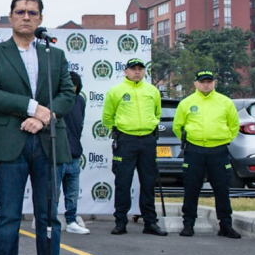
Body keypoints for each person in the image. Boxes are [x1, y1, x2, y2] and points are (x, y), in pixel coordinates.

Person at [0, 0, 78, 255]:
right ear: (10, 17)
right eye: (20, 12)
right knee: (8, 216)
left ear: (40, 19)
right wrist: (32, 108)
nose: (26, 17)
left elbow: (67, 93)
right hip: (10, 143)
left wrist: (44, 117)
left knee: (49, 218)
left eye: (33, 13)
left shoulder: (55, 55)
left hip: (48, 143)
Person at [102, 57, 167, 236]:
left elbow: (157, 113)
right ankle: (120, 222)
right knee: (123, 182)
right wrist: (122, 130)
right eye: (133, 68)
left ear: (145, 71)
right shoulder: (116, 91)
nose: (137, 71)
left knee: (148, 183)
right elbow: (107, 117)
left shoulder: (152, 90)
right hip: (126, 141)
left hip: (147, 140)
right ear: (126, 72)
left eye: (140, 68)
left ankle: (150, 223)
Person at [173, 70, 241, 239]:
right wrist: (190, 141)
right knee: (191, 188)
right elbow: (177, 126)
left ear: (214, 83)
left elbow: (234, 126)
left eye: (209, 81)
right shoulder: (187, 103)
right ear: (195, 83)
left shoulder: (225, 102)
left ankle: (225, 225)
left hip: (218, 151)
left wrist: (222, 139)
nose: (206, 84)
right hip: (194, 151)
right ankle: (188, 224)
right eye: (202, 81)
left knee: (222, 189)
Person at [61, 70, 89, 234]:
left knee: (72, 193)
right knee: (52, 192)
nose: (71, 87)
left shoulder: (80, 101)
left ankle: (71, 221)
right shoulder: (55, 101)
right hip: (57, 154)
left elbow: (80, 125)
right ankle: (49, 221)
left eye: (74, 85)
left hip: (74, 154)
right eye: (68, 84)